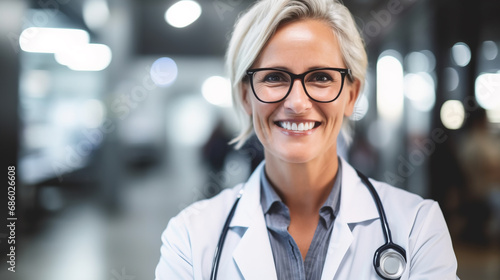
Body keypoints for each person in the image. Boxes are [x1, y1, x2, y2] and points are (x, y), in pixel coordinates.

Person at [155, 0, 459, 279]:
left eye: (321, 77)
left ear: (351, 95)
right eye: (274, 77)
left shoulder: (418, 227)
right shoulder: (191, 238)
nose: (297, 102)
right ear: (246, 96)